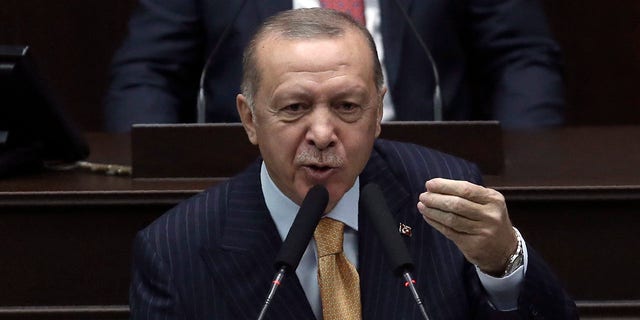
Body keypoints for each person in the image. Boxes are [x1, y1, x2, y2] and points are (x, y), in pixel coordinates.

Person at [129, 8, 577, 319]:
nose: (322, 134)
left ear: (378, 112)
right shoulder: (176, 250)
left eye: (346, 106)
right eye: (294, 108)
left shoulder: (445, 197)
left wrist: (503, 264)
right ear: (249, 119)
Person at [105, 0, 565, 132]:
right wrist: (158, 182)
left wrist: (520, 173)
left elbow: (521, 57)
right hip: (250, 179)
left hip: (430, 177)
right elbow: (147, 71)